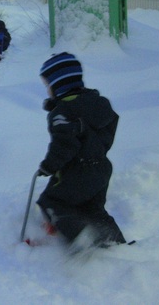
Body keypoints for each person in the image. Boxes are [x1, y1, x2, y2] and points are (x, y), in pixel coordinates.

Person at [36, 52, 126, 249]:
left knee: (50, 201)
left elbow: (64, 145)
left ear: (59, 84)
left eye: (48, 84)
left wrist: (48, 167)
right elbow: (108, 129)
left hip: (77, 171)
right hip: (101, 169)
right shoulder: (100, 103)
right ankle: (115, 243)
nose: (47, 89)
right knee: (93, 208)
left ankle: (79, 236)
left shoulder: (62, 113)